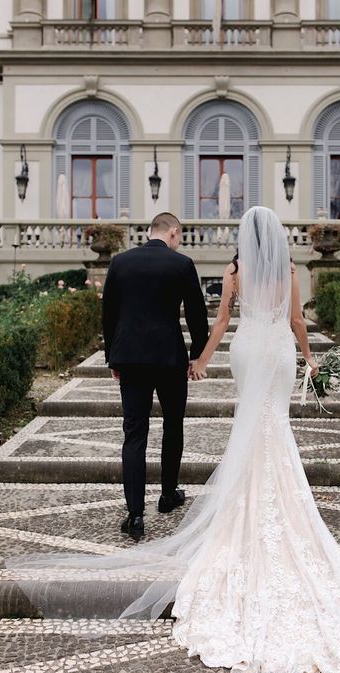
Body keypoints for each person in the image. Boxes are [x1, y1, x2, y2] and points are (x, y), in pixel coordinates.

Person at [5, 207, 340, 673]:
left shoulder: (231, 270)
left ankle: (163, 507)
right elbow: (293, 320)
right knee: (272, 426)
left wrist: (201, 358)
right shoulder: (288, 271)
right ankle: (227, 496)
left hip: (242, 351)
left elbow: (219, 317)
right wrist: (310, 360)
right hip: (277, 355)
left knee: (203, 428)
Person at [102, 211, 209, 539]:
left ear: (151, 232)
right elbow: (196, 315)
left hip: (131, 358)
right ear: (173, 232)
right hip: (169, 359)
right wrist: (197, 356)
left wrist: (112, 358)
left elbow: (109, 313)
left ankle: (135, 514)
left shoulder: (120, 262)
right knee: (173, 424)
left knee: (134, 434)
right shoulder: (181, 264)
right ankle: (167, 494)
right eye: (180, 236)